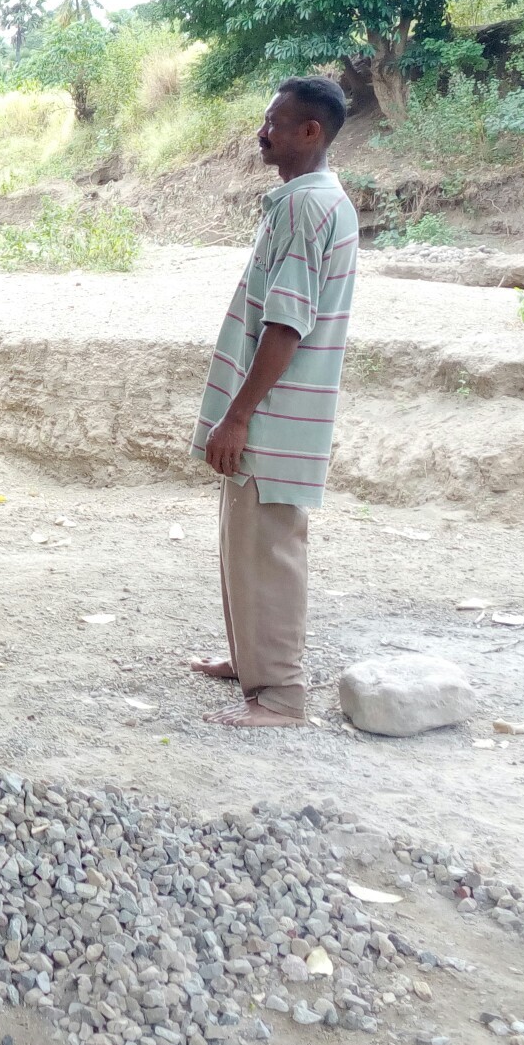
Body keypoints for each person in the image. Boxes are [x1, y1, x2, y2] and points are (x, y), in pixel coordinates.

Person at [187, 76, 359, 728]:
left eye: (276, 123)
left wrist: (238, 415)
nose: (263, 132)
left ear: (309, 132)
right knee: (247, 544)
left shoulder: (304, 208)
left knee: (269, 549)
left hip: (275, 418)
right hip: (279, 415)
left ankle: (281, 696)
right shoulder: (315, 200)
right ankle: (249, 661)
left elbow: (287, 325)